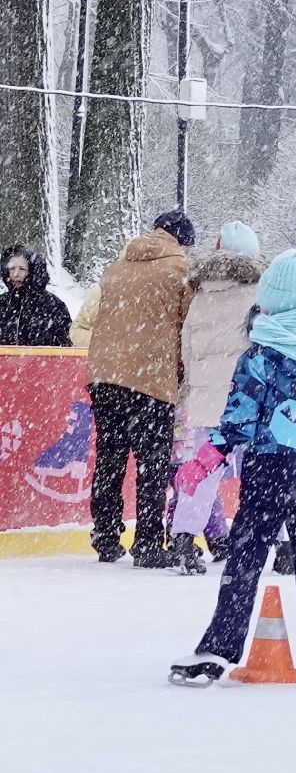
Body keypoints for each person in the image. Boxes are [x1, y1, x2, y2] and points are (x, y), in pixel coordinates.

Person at [169, 250, 296, 685]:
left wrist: (204, 462)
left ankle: (219, 649)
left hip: (268, 472)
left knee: (246, 556)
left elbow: (237, 424)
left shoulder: (258, 359)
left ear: (270, 302)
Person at [86, 210, 196, 566]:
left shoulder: (117, 268)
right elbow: (187, 329)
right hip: (151, 377)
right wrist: (182, 374)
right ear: (181, 241)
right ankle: (148, 543)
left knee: (109, 459)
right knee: (153, 464)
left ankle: (104, 536)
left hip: (106, 376)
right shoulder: (179, 270)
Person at [167, 221, 266, 573]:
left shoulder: (200, 296)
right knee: (268, 470)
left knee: (202, 473)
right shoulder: (262, 294)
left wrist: (197, 389)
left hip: (207, 400)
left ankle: (182, 540)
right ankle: (283, 545)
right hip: (251, 399)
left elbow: (187, 349)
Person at [0, 244, 72, 347]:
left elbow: (66, 347)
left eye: (22, 269)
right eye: (12, 268)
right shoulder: (2, 304)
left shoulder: (53, 306)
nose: (16, 274)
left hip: (43, 362)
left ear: (33, 271)